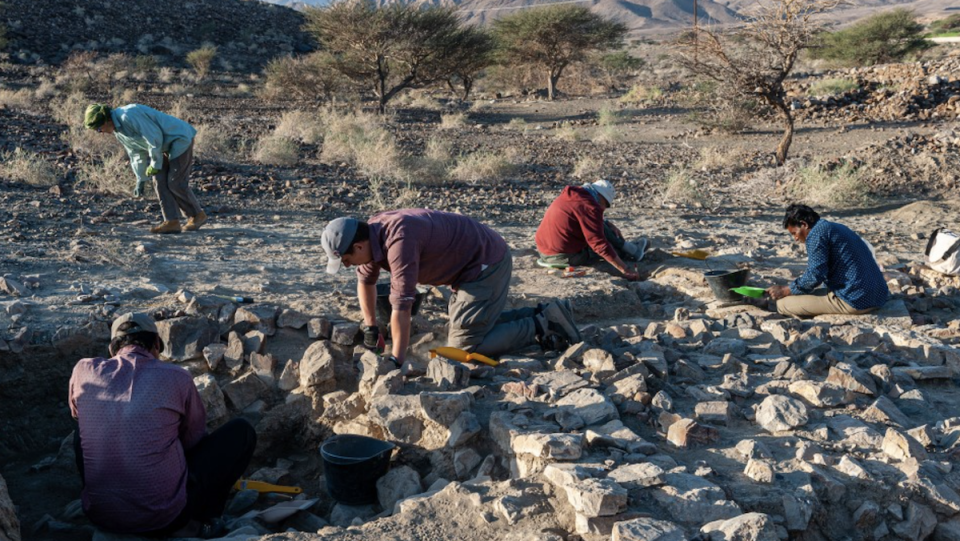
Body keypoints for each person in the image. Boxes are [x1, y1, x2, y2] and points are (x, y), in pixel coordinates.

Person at [69, 313, 256, 537]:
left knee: (81, 435)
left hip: (100, 515)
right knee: (241, 431)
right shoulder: (177, 376)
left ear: (112, 348)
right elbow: (192, 438)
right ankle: (203, 520)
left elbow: (78, 414)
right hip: (165, 519)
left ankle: (103, 495)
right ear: (157, 344)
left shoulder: (83, 370)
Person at [321, 209, 582, 365]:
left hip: (485, 264)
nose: (346, 266)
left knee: (464, 347)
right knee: (469, 327)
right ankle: (549, 312)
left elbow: (401, 305)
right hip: (467, 269)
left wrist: (396, 361)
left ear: (358, 246)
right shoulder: (371, 235)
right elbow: (365, 281)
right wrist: (371, 327)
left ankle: (544, 324)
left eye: (345, 260)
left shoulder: (399, 241)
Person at [84, 103, 207, 234]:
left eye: (99, 129)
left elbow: (154, 137)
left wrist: (154, 164)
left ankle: (197, 215)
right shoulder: (119, 132)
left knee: (175, 182)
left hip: (178, 138)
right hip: (162, 146)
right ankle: (172, 222)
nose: (101, 133)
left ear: (106, 120)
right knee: (159, 181)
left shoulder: (128, 116)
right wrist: (140, 179)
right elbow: (135, 153)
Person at [767, 204, 889, 318]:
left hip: (856, 300)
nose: (796, 238)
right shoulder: (835, 227)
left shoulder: (816, 234)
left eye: (794, 233)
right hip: (878, 296)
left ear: (804, 224)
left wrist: (786, 290)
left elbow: (815, 275)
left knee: (782, 305)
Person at [535, 179, 646, 280]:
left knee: (602, 226)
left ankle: (629, 247)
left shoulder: (573, 195)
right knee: (611, 250)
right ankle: (629, 250)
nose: (603, 209)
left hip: (543, 250)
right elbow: (598, 244)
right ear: (601, 197)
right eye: (605, 205)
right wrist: (625, 269)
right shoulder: (590, 207)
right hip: (562, 256)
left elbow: (583, 216)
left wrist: (606, 222)